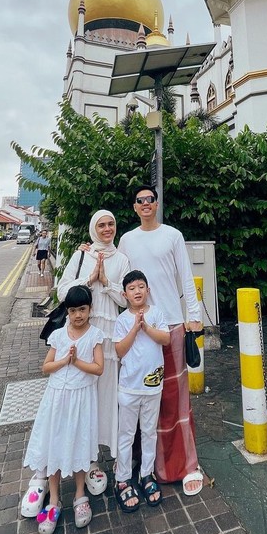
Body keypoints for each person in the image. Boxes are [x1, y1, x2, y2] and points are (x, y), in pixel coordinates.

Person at [117, 185, 204, 496]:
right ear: (135, 206)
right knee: (140, 396)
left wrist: (194, 316)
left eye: (150, 200)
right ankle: (143, 465)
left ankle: (183, 464)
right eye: (140, 200)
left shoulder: (173, 235)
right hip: (138, 327)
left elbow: (186, 278)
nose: (145, 204)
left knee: (174, 398)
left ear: (156, 204)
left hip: (172, 324)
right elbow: (118, 280)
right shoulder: (126, 240)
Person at [21, 285, 104, 534]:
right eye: (73, 310)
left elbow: (99, 368)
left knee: (79, 445)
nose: (78, 315)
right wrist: (65, 360)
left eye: (82, 309)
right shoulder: (58, 335)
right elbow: (46, 367)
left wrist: (77, 362)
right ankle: (54, 500)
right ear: (67, 311)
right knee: (54, 447)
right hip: (56, 400)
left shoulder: (95, 335)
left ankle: (79, 495)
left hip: (81, 399)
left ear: (90, 309)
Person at [57, 209, 129, 490]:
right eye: (101, 225)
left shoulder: (121, 259)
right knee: (79, 392)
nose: (107, 229)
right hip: (80, 334)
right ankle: (82, 457)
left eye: (111, 224)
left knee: (106, 394)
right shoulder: (81, 255)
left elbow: (125, 300)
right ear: (92, 229)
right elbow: (62, 292)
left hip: (108, 336)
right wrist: (89, 279)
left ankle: (99, 455)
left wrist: (106, 282)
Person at [113, 270, 170, 512]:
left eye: (141, 286)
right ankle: (123, 478)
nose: (137, 291)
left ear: (148, 290)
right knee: (126, 434)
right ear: (124, 294)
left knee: (149, 432)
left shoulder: (156, 313)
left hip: (152, 387)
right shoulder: (122, 320)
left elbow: (166, 339)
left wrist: (146, 327)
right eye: (132, 288)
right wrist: (135, 329)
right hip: (129, 387)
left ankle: (147, 474)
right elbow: (119, 350)